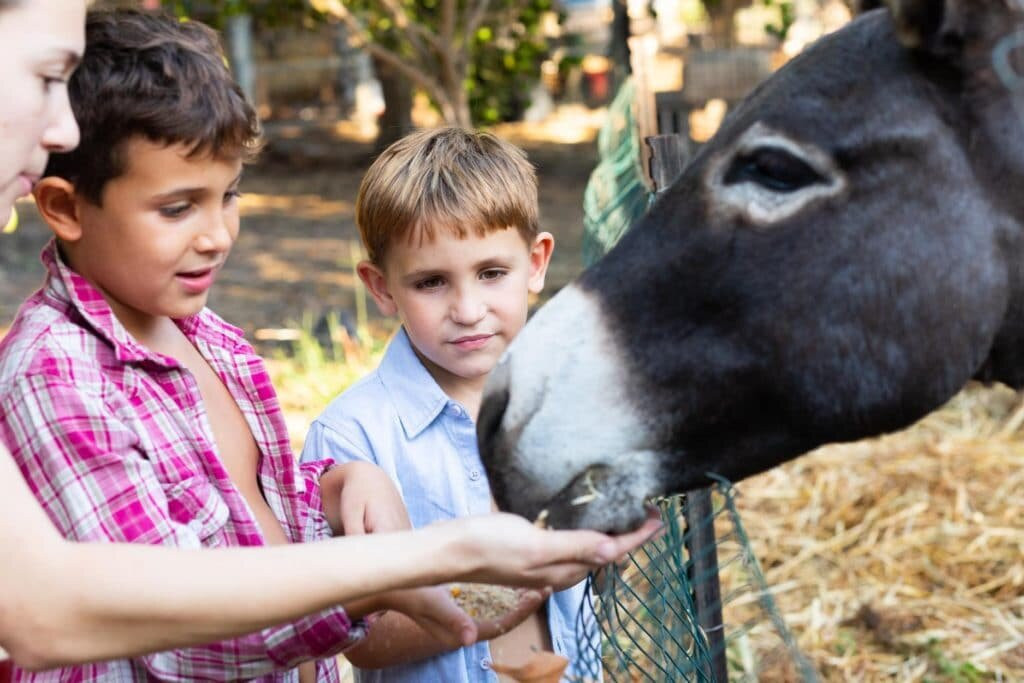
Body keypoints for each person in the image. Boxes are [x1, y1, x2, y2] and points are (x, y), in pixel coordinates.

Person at [0, 8, 658, 681]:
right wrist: (405, 569)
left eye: (228, 195)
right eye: (177, 208)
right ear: (66, 208)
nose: (218, 234)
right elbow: (161, 628)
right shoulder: (57, 374)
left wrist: (333, 487)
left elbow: (251, 523)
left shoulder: (212, 340)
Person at [300, 127, 594, 682]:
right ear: (381, 287)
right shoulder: (352, 440)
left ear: (535, 263)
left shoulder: (566, 404)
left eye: (491, 273)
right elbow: (364, 637)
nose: (467, 309)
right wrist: (511, 588)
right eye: (432, 282)